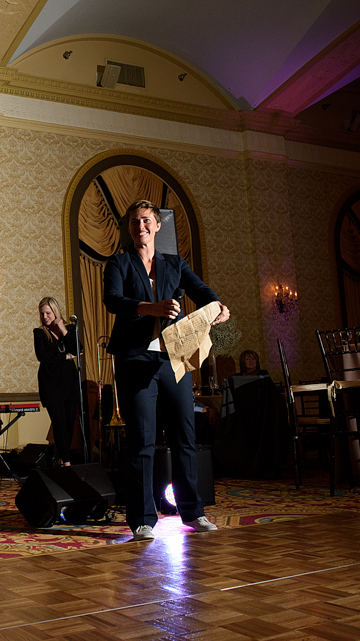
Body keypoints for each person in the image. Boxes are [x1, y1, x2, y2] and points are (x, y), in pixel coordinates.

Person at [104, 200, 229, 542]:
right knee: (142, 439)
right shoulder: (119, 261)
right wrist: (151, 308)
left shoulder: (174, 263)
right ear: (129, 228)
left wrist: (218, 305)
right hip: (134, 358)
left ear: (157, 225)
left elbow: (200, 290)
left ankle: (194, 512)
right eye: (134, 222)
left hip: (174, 356)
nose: (139, 226)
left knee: (185, 435)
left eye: (145, 221)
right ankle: (143, 518)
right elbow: (112, 300)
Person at [33, 296, 80, 465]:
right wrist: (66, 356)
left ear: (55, 312)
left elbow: (78, 350)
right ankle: (67, 462)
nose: (44, 317)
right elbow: (43, 356)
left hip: (69, 383)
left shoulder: (69, 329)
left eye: (47, 313)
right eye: (42, 314)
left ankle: (61, 458)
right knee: (59, 423)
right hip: (51, 384)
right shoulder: (39, 332)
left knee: (68, 424)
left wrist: (63, 329)